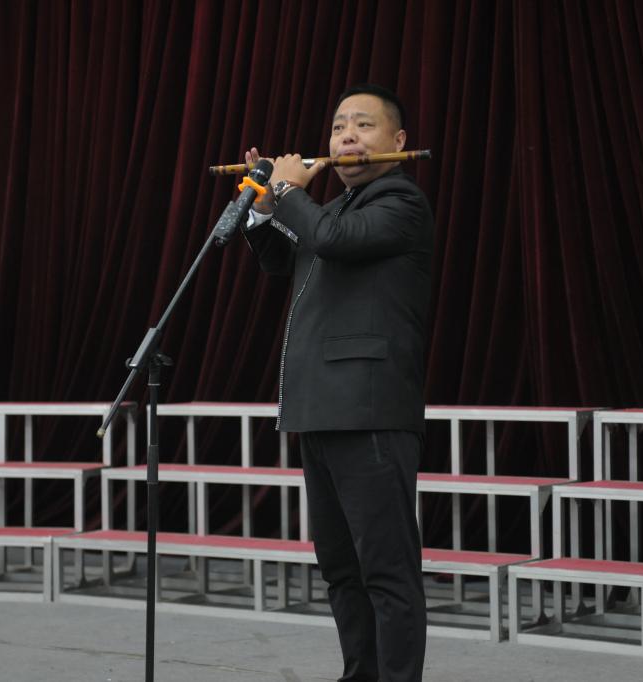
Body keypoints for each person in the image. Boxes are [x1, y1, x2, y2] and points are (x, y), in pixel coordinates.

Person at [241, 83, 434, 681]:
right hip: (320, 408)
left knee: (386, 572)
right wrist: (264, 207)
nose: (346, 136)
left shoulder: (400, 201)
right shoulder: (334, 209)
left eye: (363, 125)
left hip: (368, 409)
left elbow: (331, 240)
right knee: (343, 571)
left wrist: (288, 191)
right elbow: (283, 258)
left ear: (398, 140)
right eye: (338, 127)